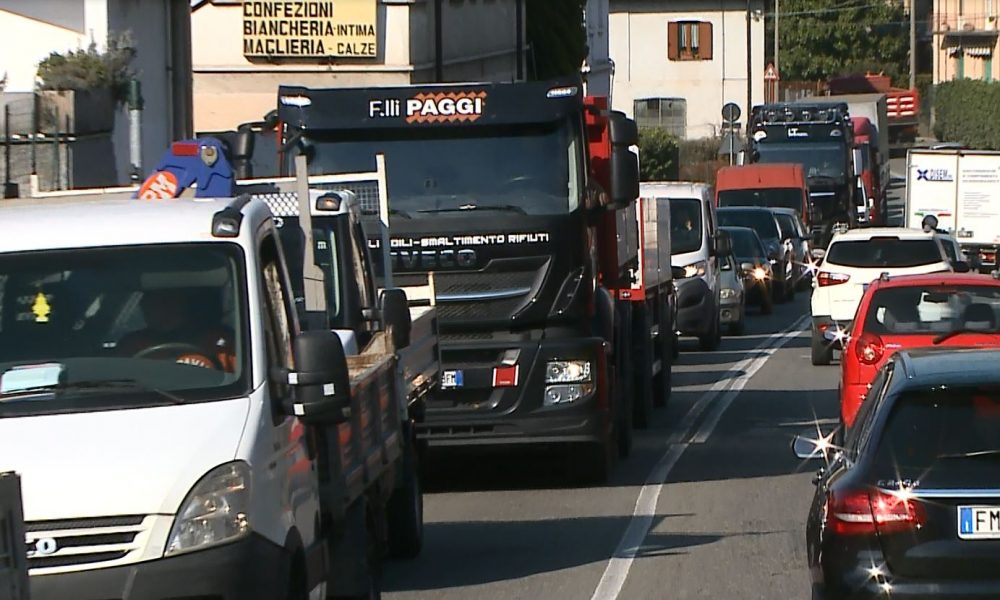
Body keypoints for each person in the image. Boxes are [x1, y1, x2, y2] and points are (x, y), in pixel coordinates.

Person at [117, 287, 236, 372]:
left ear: (184, 303)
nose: (158, 309)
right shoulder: (132, 345)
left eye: (166, 301)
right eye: (150, 302)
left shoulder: (220, 343)